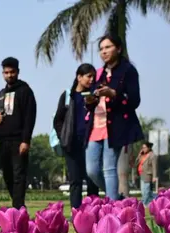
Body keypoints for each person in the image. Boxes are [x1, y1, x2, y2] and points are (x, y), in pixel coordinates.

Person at [84, 35, 144, 201]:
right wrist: (90, 101)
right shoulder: (99, 73)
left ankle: (111, 207)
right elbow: (93, 101)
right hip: (96, 125)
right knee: (91, 170)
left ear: (118, 49)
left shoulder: (128, 71)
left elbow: (134, 100)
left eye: (108, 47)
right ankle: (116, 198)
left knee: (109, 168)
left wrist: (114, 93)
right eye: (101, 49)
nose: (104, 52)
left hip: (115, 126)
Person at [0, 57, 37, 209]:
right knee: (8, 176)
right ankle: (17, 205)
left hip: (18, 141)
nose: (9, 75)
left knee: (18, 176)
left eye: (12, 72)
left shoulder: (25, 91)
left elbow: (30, 117)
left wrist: (26, 140)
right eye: (6, 72)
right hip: (3, 141)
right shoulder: (1, 94)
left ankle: (18, 208)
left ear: (18, 72)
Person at [52, 63, 100, 209]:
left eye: (94, 76)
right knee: (75, 180)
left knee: (92, 179)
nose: (91, 79)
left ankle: (93, 210)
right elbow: (58, 120)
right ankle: (76, 212)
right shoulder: (68, 95)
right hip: (72, 144)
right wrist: (63, 137)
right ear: (79, 77)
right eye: (88, 76)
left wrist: (94, 102)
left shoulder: (95, 94)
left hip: (90, 143)